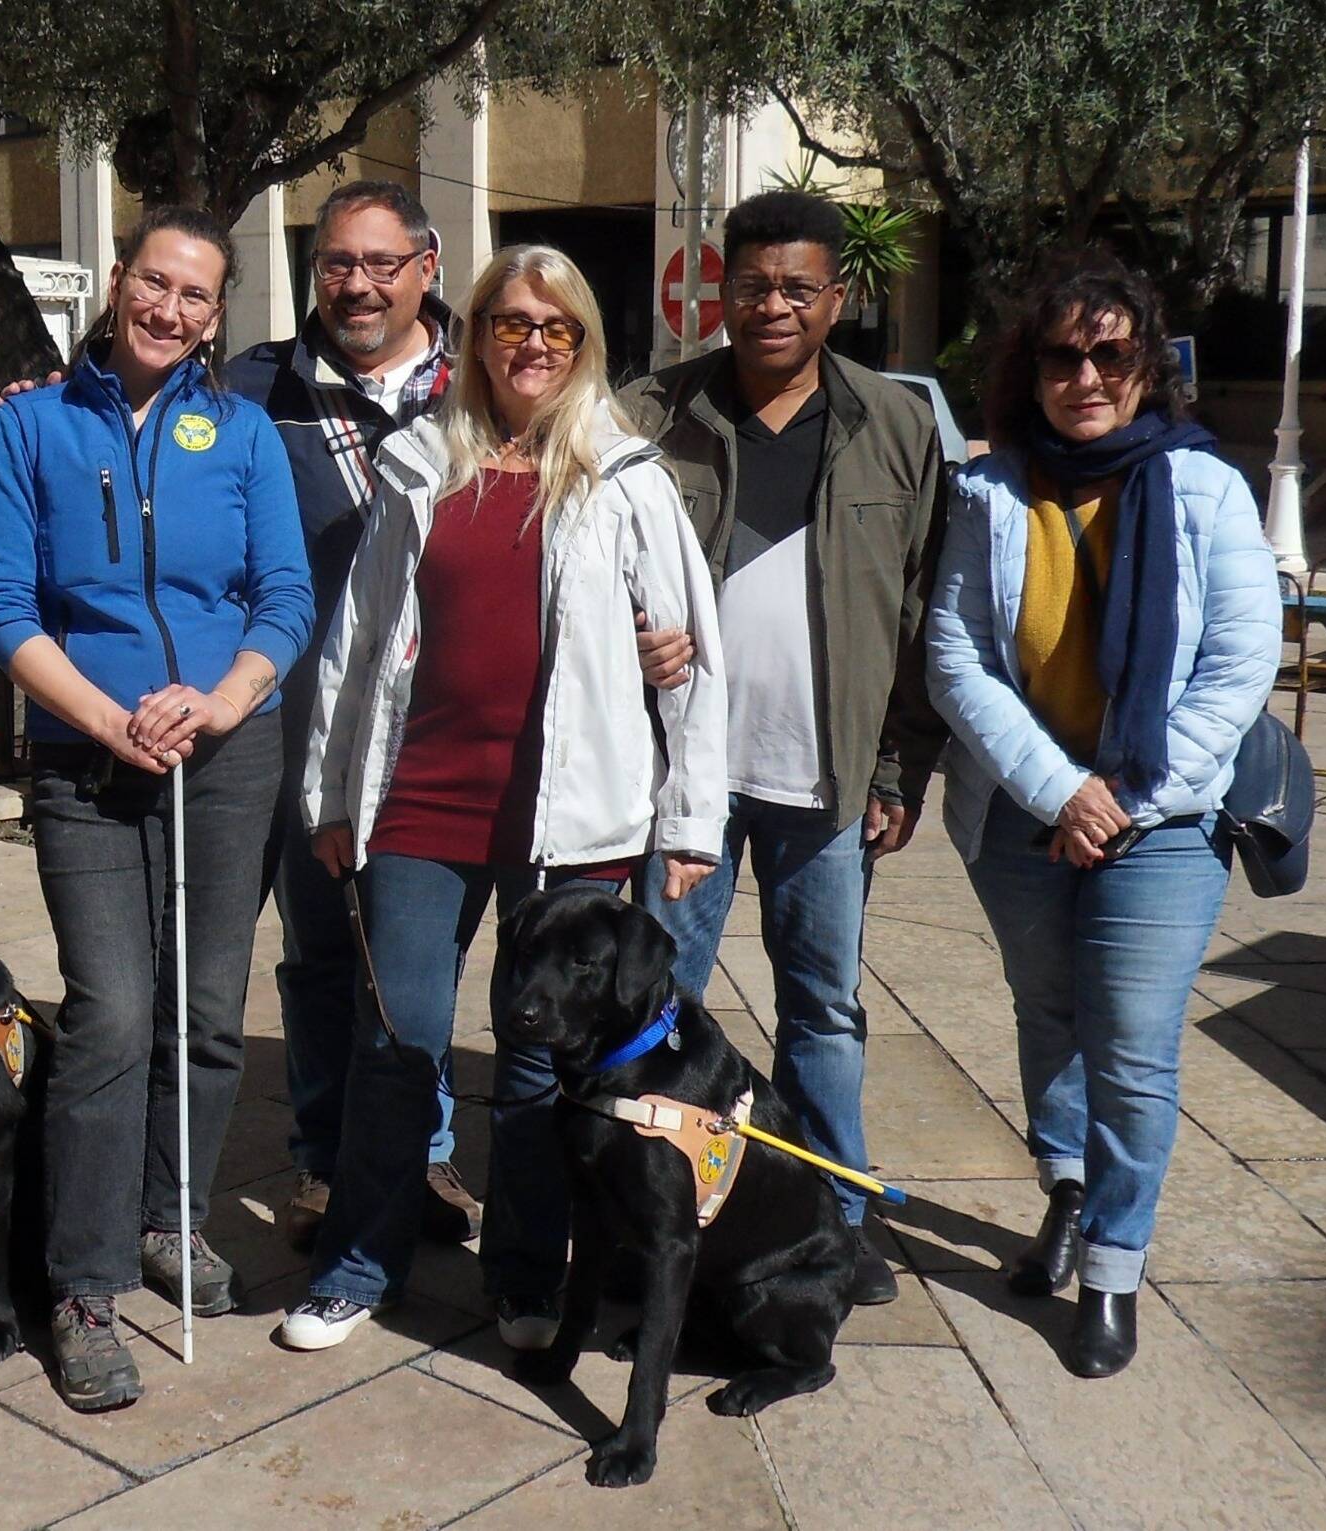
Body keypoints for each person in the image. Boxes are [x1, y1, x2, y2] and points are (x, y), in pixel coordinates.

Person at [280, 244, 727, 1353]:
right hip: (422, 800)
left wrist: (689, 822)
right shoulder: (421, 463)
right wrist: (332, 794)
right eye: (510, 322)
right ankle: (358, 1265)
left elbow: (690, 657)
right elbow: (358, 638)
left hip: (572, 816)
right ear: (474, 334)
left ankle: (526, 1279)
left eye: (555, 326)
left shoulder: (625, 477)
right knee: (400, 1037)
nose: (532, 344)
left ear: (582, 343)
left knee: (537, 1060)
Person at [0, 206, 313, 1413]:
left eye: (195, 295)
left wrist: (221, 701)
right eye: (154, 283)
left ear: (217, 316)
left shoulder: (245, 431)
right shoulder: (29, 426)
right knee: (112, 1014)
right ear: (117, 284)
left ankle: (173, 1216)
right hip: (88, 764)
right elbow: (1, 605)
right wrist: (105, 719)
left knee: (206, 1014)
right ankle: (84, 1280)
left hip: (227, 755)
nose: (169, 309)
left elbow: (284, 596)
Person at [927, 249, 1280, 1378]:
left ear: (1146, 365)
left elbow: (1240, 666)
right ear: (1029, 370)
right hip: (1023, 813)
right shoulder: (989, 492)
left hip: (1162, 823)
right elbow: (956, 658)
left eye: (1109, 354)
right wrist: (1060, 790)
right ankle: (1068, 1191)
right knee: (1046, 1014)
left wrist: (1121, 797)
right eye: (1061, 356)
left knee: (1128, 1046)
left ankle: (1114, 1268)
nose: (1085, 376)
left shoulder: (1206, 487)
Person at [621, 189, 949, 1306]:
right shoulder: (650, 415)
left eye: (797, 289)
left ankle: (832, 1221)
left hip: (828, 781)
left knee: (823, 1009)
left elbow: (920, 612)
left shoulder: (895, 424)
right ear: (721, 293)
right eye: (754, 286)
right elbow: (587, 573)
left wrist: (899, 767)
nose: (774, 307)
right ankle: (667, 1213)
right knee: (663, 1002)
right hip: (686, 784)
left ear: (835, 298)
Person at [221, 180, 481, 1253]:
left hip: (449, 728)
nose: (358, 286)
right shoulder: (253, 388)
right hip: (311, 729)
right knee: (324, 954)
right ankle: (327, 1160)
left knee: (423, 959)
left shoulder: (486, 378)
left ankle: (422, 1153)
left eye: (382, 263)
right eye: (337, 263)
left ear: (426, 266)